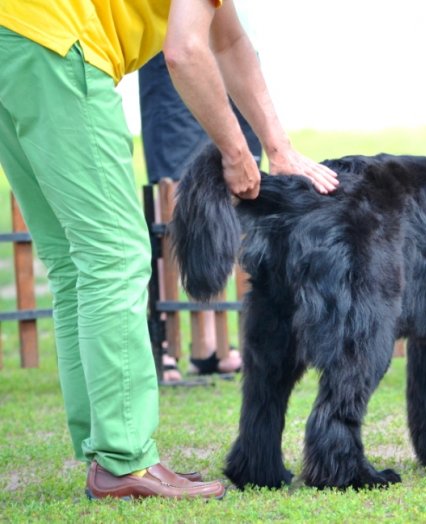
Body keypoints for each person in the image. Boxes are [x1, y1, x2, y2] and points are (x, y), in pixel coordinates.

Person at [0, 0, 337, 500]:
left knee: (76, 262)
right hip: (57, 45)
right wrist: (236, 152)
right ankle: (126, 459)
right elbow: (183, 52)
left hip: (15, 41)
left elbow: (229, 42)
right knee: (114, 255)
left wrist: (278, 147)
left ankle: (105, 449)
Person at [139, 51, 259, 382]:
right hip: (167, 52)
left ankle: (211, 344)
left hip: (228, 52)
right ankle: (168, 344)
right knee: (173, 193)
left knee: (233, 185)